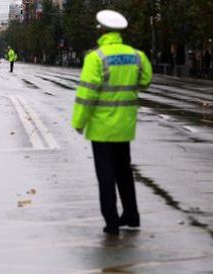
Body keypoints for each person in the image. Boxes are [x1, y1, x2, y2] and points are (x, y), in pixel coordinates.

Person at [71, 10, 152, 235]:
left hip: (101, 129)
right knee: (124, 172)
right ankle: (132, 215)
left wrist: (79, 122)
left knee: (106, 175)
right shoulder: (136, 55)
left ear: (102, 31)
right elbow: (145, 80)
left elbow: (87, 94)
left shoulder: (96, 58)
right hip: (125, 126)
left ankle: (112, 221)